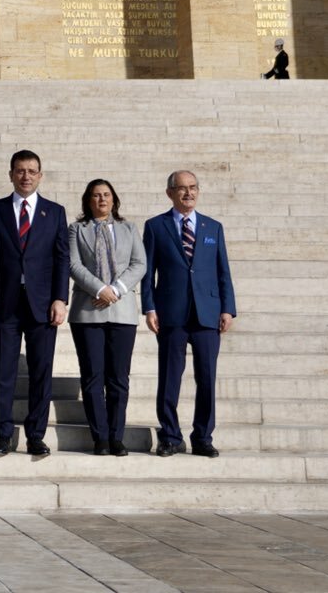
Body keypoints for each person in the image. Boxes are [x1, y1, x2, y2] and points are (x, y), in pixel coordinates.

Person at [143, 169, 237, 458]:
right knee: (169, 377)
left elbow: (223, 271)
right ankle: (170, 435)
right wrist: (149, 306)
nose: (188, 193)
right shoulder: (156, 226)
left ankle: (203, 436)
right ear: (170, 193)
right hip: (171, 313)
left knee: (207, 378)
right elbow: (148, 273)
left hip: (207, 313)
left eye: (193, 187)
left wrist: (227, 308)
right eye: (182, 188)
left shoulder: (213, 227)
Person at [0, 149, 69, 457]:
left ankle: (36, 434)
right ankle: (3, 435)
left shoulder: (55, 212)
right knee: (3, 372)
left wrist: (61, 298)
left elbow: (62, 258)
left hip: (42, 304)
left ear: (40, 175)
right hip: (5, 303)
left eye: (31, 171)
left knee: (41, 372)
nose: (26, 176)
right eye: (20, 171)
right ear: (10, 174)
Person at [67, 178, 146, 456]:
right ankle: (99, 437)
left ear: (114, 200)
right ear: (88, 201)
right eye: (96, 196)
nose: (102, 200)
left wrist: (115, 289)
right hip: (87, 311)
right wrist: (99, 288)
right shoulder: (77, 229)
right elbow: (73, 264)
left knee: (118, 378)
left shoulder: (128, 229)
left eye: (106, 195)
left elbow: (140, 263)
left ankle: (116, 436)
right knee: (92, 376)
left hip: (122, 312)